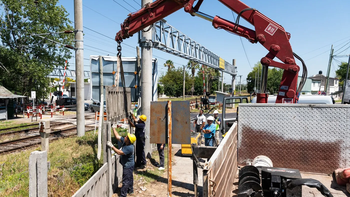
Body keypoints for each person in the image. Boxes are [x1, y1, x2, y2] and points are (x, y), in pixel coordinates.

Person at [107, 127, 136, 197]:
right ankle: (130, 190)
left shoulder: (129, 148)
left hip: (128, 166)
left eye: (126, 137)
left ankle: (123, 195)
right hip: (129, 164)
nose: (125, 137)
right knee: (129, 177)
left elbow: (119, 152)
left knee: (125, 180)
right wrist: (113, 128)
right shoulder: (126, 142)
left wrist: (112, 146)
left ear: (128, 140)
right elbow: (117, 136)